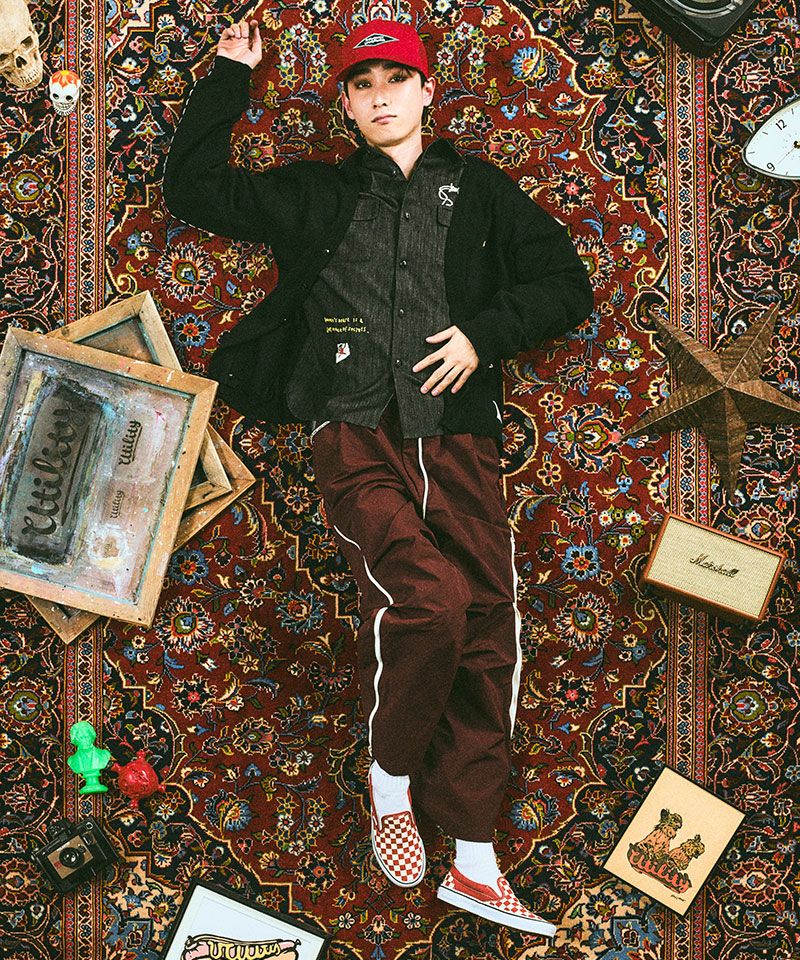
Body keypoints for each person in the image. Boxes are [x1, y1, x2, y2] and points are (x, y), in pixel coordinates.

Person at [163, 16, 593, 936]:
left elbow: (568, 283)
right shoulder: (317, 193)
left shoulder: (480, 190)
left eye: (397, 78)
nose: (381, 96)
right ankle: (389, 776)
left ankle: (474, 859)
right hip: (354, 430)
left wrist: (484, 335)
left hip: (458, 437)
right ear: (347, 106)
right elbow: (193, 189)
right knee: (429, 600)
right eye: (362, 84)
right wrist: (229, 76)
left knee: (488, 627)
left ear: (428, 90)